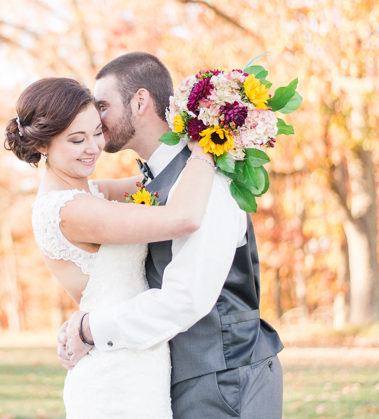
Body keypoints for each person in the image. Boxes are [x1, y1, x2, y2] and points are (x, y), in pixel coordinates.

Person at [59, 52, 285, 419]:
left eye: (103, 105)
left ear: (140, 101)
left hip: (226, 377)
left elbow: (186, 298)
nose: (95, 118)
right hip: (184, 379)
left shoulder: (205, 178)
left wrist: (91, 330)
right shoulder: (155, 178)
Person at [4, 76, 218, 418]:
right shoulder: (71, 210)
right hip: (115, 379)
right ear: (42, 146)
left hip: (137, 361)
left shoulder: (92, 194)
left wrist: (210, 116)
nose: (93, 148)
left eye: (96, 132)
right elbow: (184, 217)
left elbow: (162, 179)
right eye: (76, 139)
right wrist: (207, 149)